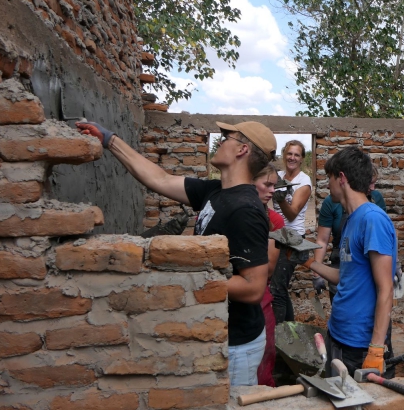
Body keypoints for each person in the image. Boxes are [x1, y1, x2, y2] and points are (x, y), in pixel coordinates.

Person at [75, 120, 275, 387]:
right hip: (216, 332)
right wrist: (110, 139)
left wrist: (187, 278)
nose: (220, 140)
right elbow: (160, 179)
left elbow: (253, 288)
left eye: (227, 136)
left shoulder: (245, 209)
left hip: (236, 343)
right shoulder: (216, 191)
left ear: (242, 149)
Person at [304, 147, 397, 378]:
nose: (327, 184)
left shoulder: (372, 219)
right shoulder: (350, 220)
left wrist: (376, 348)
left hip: (359, 343)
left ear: (342, 178)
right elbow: (346, 277)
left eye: (330, 178)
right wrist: (308, 263)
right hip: (338, 334)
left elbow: (386, 288)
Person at [314, 167, 386, 302]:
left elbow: (382, 238)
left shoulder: (375, 208)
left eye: (374, 183)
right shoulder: (332, 203)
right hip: (340, 259)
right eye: (369, 183)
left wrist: (394, 263)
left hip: (367, 263)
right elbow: (322, 240)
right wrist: (316, 272)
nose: (372, 187)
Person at [270, 140, 312, 324]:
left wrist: (280, 201)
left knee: (276, 288)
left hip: (293, 240)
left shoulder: (303, 182)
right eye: (289, 153)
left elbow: (293, 214)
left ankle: (278, 336)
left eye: (296, 155)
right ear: (283, 155)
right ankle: (289, 328)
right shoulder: (277, 176)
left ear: (302, 159)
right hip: (276, 235)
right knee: (278, 286)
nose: (292, 158)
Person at [252, 164, 285, 388]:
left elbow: (268, 269)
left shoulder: (274, 220)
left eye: (274, 185)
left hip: (259, 297)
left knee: (264, 359)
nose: (272, 190)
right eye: (267, 184)